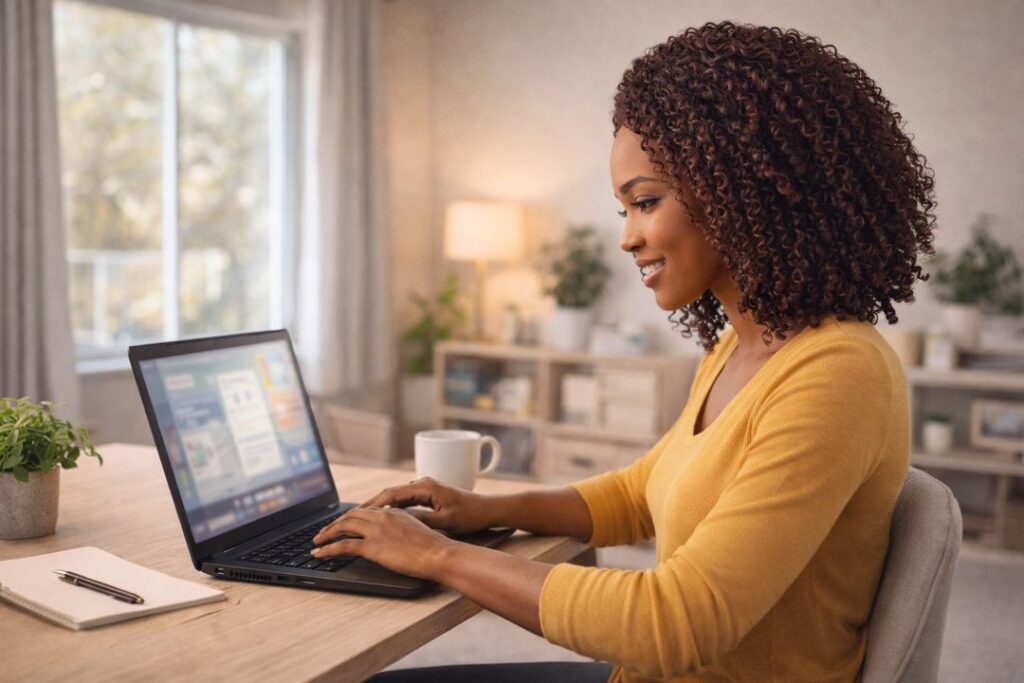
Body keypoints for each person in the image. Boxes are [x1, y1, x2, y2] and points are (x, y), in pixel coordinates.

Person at [313, 21, 937, 683]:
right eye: (625, 210)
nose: (628, 238)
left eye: (645, 202)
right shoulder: (742, 346)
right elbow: (639, 494)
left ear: (739, 188)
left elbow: (678, 622)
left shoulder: (837, 374)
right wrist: (488, 508)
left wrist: (437, 556)